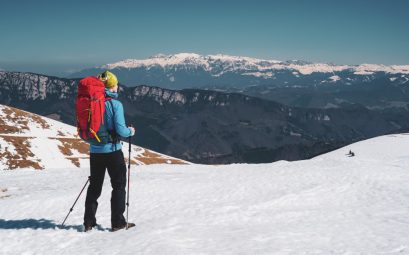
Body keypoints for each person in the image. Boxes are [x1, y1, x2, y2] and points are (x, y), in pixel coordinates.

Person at [83, 71, 136, 232]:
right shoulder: (115, 104)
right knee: (118, 185)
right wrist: (131, 131)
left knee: (95, 186)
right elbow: (121, 130)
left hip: (95, 151)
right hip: (113, 151)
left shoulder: (91, 102)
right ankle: (117, 222)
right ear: (112, 86)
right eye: (116, 84)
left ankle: (88, 223)